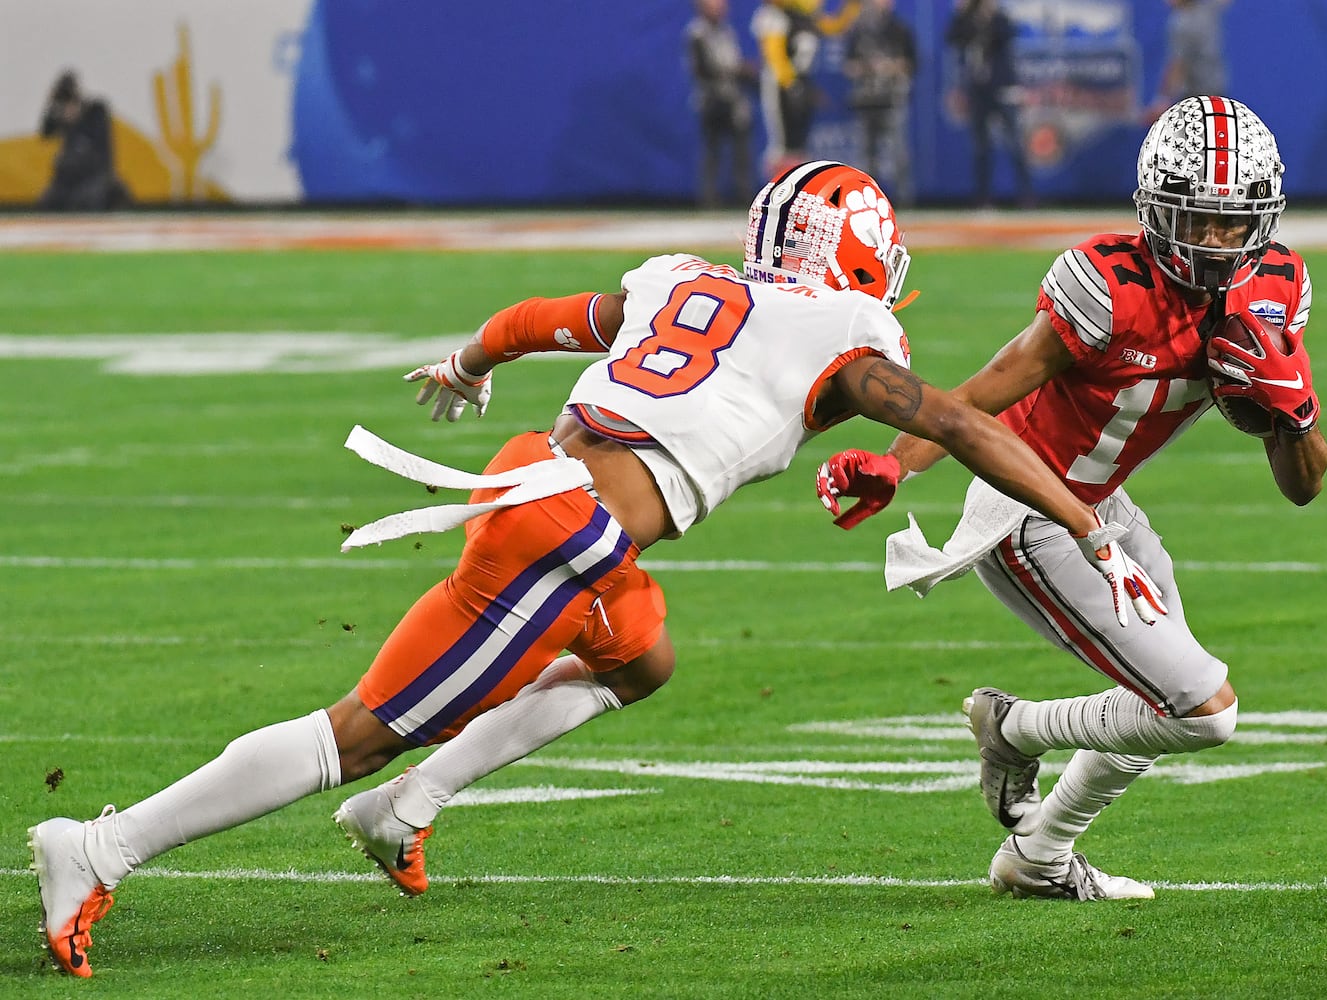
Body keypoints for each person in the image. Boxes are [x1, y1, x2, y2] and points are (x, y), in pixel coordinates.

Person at [27, 160, 1165, 977]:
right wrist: (1084, 515)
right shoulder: (846, 335)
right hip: (559, 532)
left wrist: (471, 360)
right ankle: (98, 845)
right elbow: (970, 427)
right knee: (360, 726)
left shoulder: (683, 278)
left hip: (569, 513)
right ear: (859, 258)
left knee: (643, 655)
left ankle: (406, 807)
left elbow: (540, 318)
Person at [816, 97, 1327, 900]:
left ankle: (1039, 859)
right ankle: (1013, 728)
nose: (1217, 243)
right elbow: (979, 394)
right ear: (1155, 211)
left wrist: (1294, 414)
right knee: (1202, 710)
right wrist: (897, 464)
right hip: (1030, 512)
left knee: (1158, 704)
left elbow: (1303, 487)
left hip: (1107, 509)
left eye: (1235, 224)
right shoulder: (1108, 288)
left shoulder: (1277, 286)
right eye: (1197, 221)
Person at [751, 0, 861, 179]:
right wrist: (790, 84)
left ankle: (795, 188)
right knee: (782, 140)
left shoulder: (808, 17)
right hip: (780, 84)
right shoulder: (776, 14)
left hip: (801, 81)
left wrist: (852, 7)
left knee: (799, 140)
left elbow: (834, 28)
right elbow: (774, 54)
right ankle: (774, 191)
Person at [945, 0, 1031, 208]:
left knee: (1015, 144)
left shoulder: (999, 18)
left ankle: (1025, 195)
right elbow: (953, 37)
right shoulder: (967, 20)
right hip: (979, 90)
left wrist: (989, 16)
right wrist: (965, 14)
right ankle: (983, 197)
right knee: (981, 147)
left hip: (1002, 87)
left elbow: (1006, 34)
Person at [843, 0, 918, 205]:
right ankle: (866, 203)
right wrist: (867, 67)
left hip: (892, 98)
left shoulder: (899, 29)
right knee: (866, 156)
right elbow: (848, 65)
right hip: (866, 99)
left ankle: (905, 201)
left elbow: (912, 64)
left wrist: (888, 66)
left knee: (898, 153)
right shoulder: (859, 29)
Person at [684, 0, 757, 208]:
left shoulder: (726, 30)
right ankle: (709, 198)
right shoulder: (697, 33)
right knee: (712, 150)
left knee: (741, 151)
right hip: (712, 99)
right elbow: (706, 67)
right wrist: (740, 69)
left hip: (733, 98)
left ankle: (744, 196)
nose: (721, 7)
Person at [37, 70, 130, 211]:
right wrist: (51, 107)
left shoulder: (95, 111)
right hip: (69, 178)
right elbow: (45, 133)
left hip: (95, 175)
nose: (67, 107)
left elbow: (97, 147)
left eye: (70, 101)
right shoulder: (62, 117)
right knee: (49, 201)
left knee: (86, 200)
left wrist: (77, 118)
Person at [1146, 0, 1229, 121]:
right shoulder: (1208, 12)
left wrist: (1163, 100)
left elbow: (1178, 65)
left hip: (1196, 98)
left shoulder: (1181, 23)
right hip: (1218, 94)